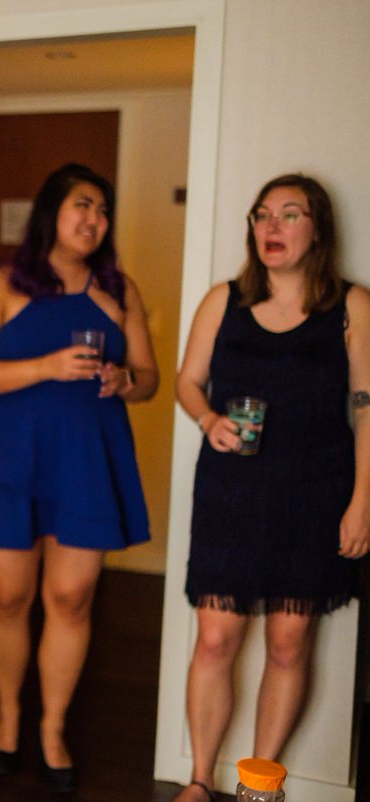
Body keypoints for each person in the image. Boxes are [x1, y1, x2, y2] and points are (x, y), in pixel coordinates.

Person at [0, 162, 158, 793]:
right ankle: (8, 717)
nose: (94, 219)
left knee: (72, 598)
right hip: (11, 459)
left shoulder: (120, 290)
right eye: (82, 205)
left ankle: (53, 727)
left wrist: (124, 380)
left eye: (103, 210)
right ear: (51, 212)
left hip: (89, 459)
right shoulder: (0, 283)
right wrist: (47, 365)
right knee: (8, 598)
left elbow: (149, 378)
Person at [171, 174, 369, 802]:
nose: (272, 227)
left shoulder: (351, 306)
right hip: (231, 489)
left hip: (315, 491)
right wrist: (208, 419)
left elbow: (366, 406)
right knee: (215, 637)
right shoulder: (222, 301)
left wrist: (363, 500)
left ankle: (261, 786)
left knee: (288, 642)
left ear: (319, 229)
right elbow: (187, 382)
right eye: (262, 215)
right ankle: (200, 780)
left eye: (289, 214)